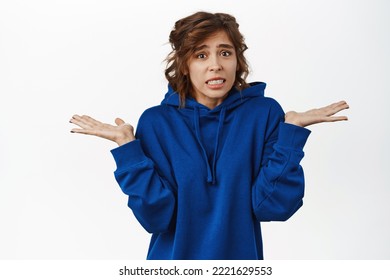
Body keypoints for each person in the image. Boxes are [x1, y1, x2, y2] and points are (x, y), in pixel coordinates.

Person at [70, 11, 349, 260]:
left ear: (237, 60)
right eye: (201, 55)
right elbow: (155, 218)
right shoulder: (157, 122)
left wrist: (291, 135)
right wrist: (127, 148)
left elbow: (274, 207)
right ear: (184, 65)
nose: (215, 65)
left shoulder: (263, 114)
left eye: (225, 52)